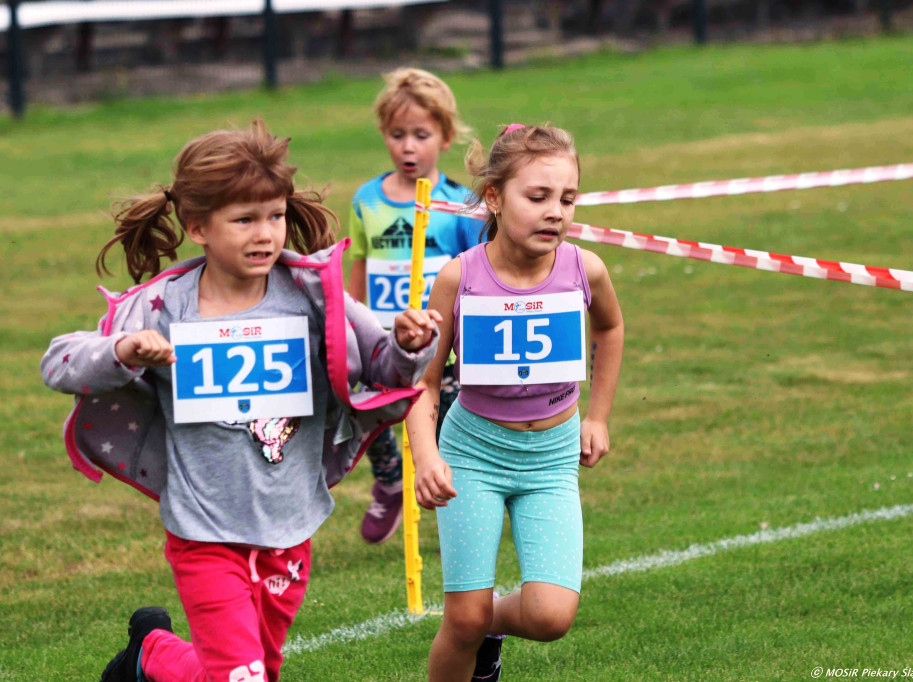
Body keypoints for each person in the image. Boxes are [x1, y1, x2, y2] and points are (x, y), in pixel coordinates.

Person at [40, 120, 440, 682]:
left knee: (250, 672)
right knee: (241, 678)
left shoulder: (312, 296)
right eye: (245, 219)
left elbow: (382, 368)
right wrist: (124, 349)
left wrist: (408, 344)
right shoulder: (164, 306)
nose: (265, 234)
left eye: (274, 215)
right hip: (203, 533)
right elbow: (58, 362)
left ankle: (149, 655)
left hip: (290, 530)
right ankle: (152, 655)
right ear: (198, 226)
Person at [405, 123, 624, 681]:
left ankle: (491, 629)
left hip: (551, 460)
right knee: (462, 619)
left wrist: (596, 415)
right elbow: (422, 382)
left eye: (567, 199)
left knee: (552, 616)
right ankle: (475, 633)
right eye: (538, 197)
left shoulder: (584, 269)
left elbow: (611, 328)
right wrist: (427, 458)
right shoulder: (461, 278)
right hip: (473, 455)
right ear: (496, 199)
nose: (556, 212)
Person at [347, 67, 483, 544]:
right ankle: (387, 483)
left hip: (440, 348)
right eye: (397, 135)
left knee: (444, 431)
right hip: (385, 342)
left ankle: (464, 513)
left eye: (421, 135)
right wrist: (355, 324)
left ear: (445, 136)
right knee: (372, 421)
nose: (408, 146)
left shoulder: (459, 204)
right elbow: (359, 267)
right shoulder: (367, 199)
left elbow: (475, 274)